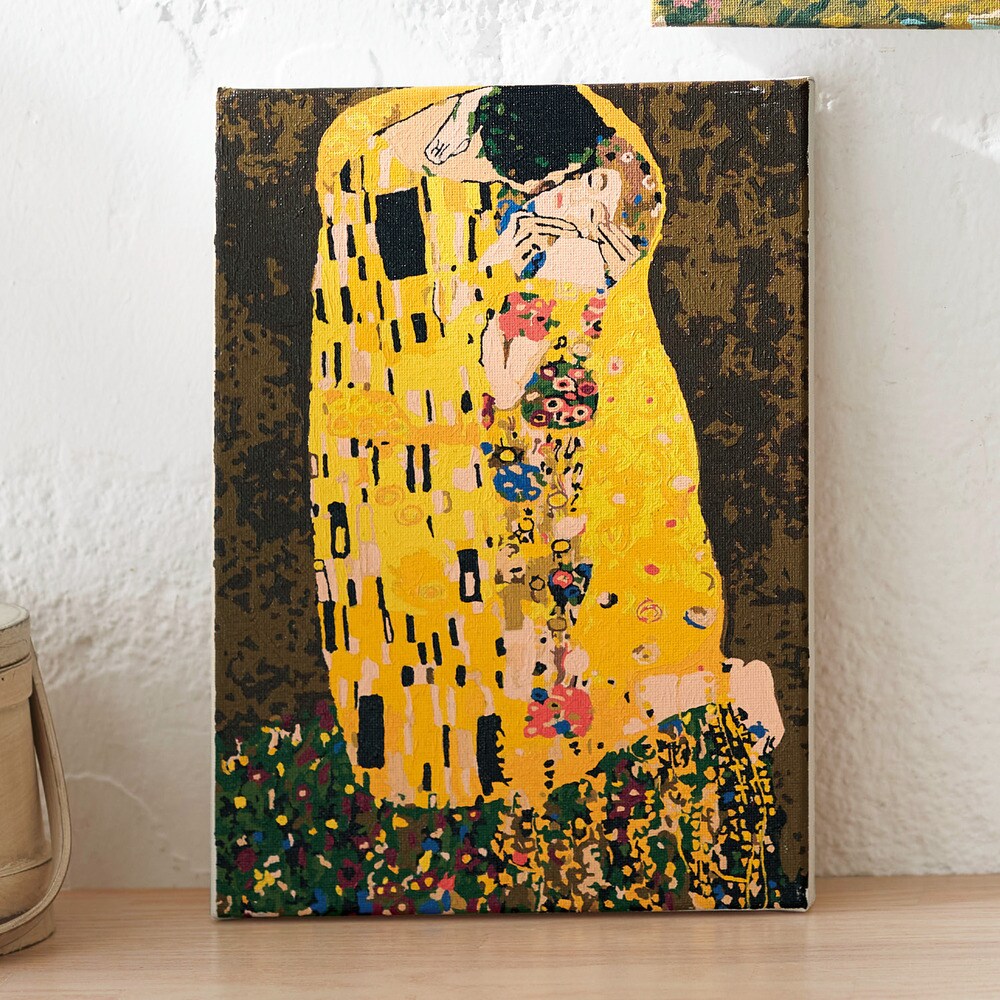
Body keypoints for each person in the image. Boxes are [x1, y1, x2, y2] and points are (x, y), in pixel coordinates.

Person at [309, 86, 783, 825]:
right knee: (461, 598)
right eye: (545, 189)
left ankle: (613, 715)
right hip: (440, 427)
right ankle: (463, 760)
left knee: (575, 587)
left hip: (566, 422)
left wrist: (558, 261)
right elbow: (403, 302)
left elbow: (585, 296)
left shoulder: (604, 166)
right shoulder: (380, 168)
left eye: (565, 186)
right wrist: (494, 274)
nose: (555, 199)